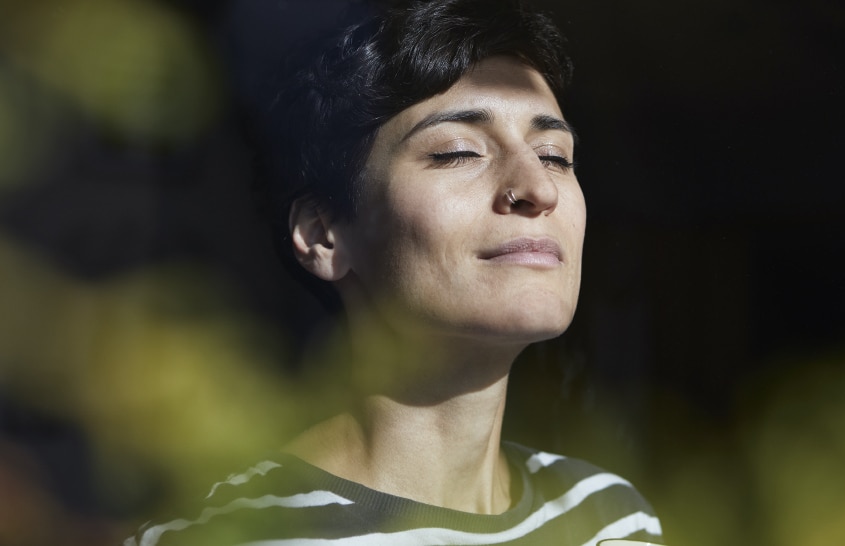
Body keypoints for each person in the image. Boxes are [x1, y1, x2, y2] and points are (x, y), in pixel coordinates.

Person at [126, 0, 665, 544]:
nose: (539, 187)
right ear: (323, 234)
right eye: (457, 152)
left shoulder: (612, 519)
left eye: (554, 156)